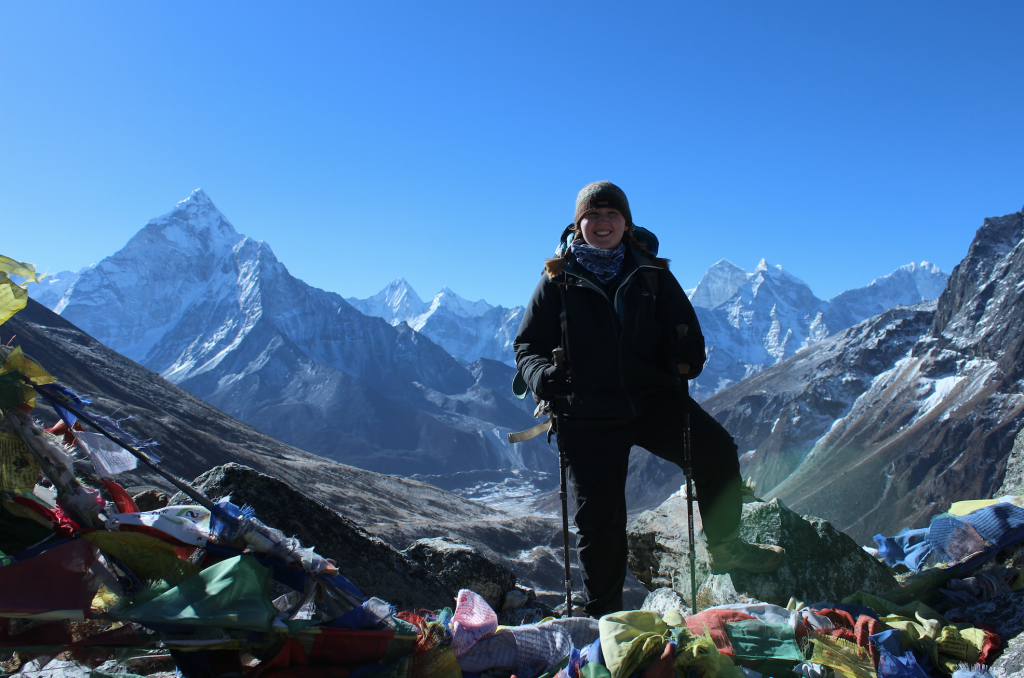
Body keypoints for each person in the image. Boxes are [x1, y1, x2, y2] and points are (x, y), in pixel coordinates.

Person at [514, 181, 784, 619]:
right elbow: (527, 346)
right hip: (588, 413)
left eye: (611, 215)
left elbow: (688, 334)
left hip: (654, 401)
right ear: (578, 224)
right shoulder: (557, 281)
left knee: (716, 452)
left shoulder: (653, 275)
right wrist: (543, 376)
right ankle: (604, 613)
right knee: (599, 521)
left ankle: (726, 547)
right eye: (593, 216)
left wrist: (688, 358)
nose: (602, 223)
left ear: (626, 223)